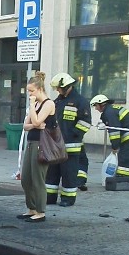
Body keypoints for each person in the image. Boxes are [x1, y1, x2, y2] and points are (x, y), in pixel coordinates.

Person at [45, 72, 91, 206]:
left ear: (66, 86)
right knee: (52, 172)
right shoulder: (58, 101)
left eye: (58, 88)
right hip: (55, 145)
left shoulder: (81, 101)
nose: (57, 91)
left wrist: (73, 134)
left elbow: (86, 122)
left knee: (68, 173)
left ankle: (68, 199)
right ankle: (49, 197)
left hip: (71, 145)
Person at [19, 71, 56, 223]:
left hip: (42, 144)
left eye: (31, 91)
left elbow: (34, 121)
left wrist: (33, 108)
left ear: (40, 89)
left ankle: (41, 211)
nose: (29, 94)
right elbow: (26, 126)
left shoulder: (48, 104)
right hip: (31, 143)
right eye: (28, 91)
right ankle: (31, 208)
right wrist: (35, 122)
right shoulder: (36, 104)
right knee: (26, 178)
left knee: (38, 179)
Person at [90, 94, 129, 190]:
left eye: (96, 106)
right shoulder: (111, 110)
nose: (96, 109)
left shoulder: (109, 113)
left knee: (125, 157)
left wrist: (115, 147)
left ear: (101, 104)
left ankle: (123, 180)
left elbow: (114, 132)